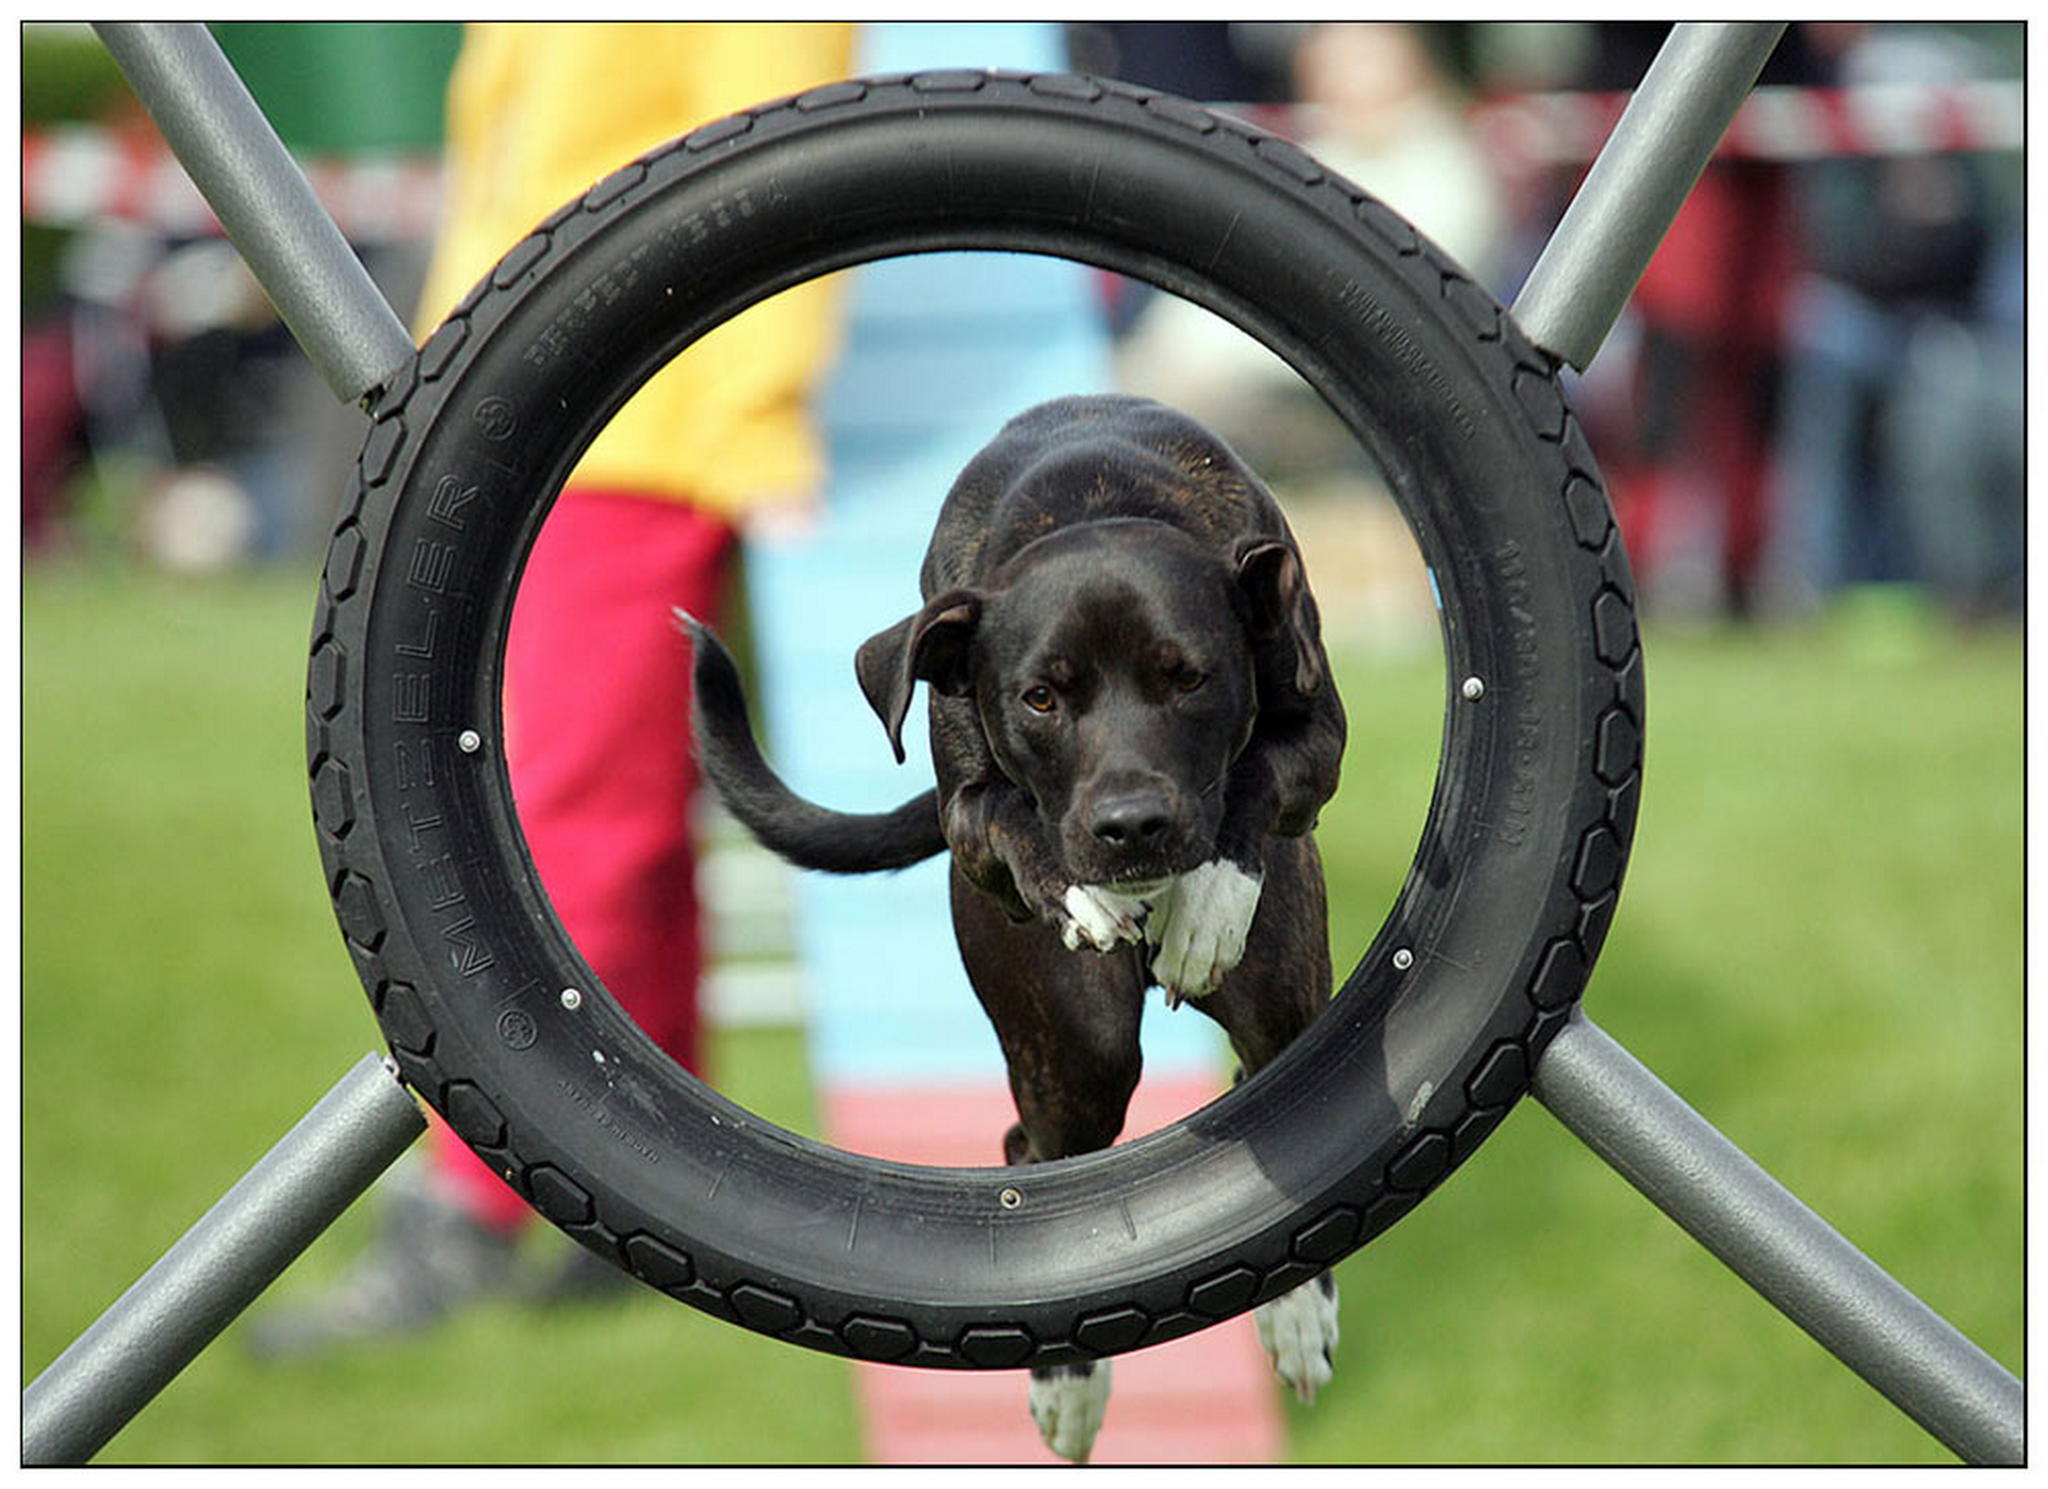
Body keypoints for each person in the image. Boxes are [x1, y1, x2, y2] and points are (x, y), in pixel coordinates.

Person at [252, 21, 854, 1356]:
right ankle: (667, 1200)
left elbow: (787, 150)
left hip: (644, 426)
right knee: (619, 825)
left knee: (568, 821)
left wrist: (758, 419)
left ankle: (472, 1209)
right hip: (528, 408)